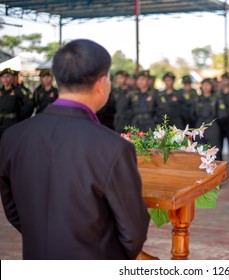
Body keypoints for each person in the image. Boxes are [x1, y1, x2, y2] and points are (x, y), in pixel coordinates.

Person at [0, 39, 150, 259]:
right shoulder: (114, 147)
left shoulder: (14, 137)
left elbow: (13, 210)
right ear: (101, 83)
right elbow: (133, 233)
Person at [193, 78, 226, 160]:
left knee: (214, 153)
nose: (206, 87)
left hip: (212, 127)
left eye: (208, 85)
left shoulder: (216, 99)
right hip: (200, 127)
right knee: (199, 152)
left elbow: (222, 115)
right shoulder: (197, 99)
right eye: (204, 85)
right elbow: (192, 114)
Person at [0, 68, 34, 139]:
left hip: (12, 123)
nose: (5, 79)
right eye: (3, 77)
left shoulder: (18, 91)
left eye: (8, 76)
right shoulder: (0, 92)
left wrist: (20, 115)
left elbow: (29, 104)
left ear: (12, 78)